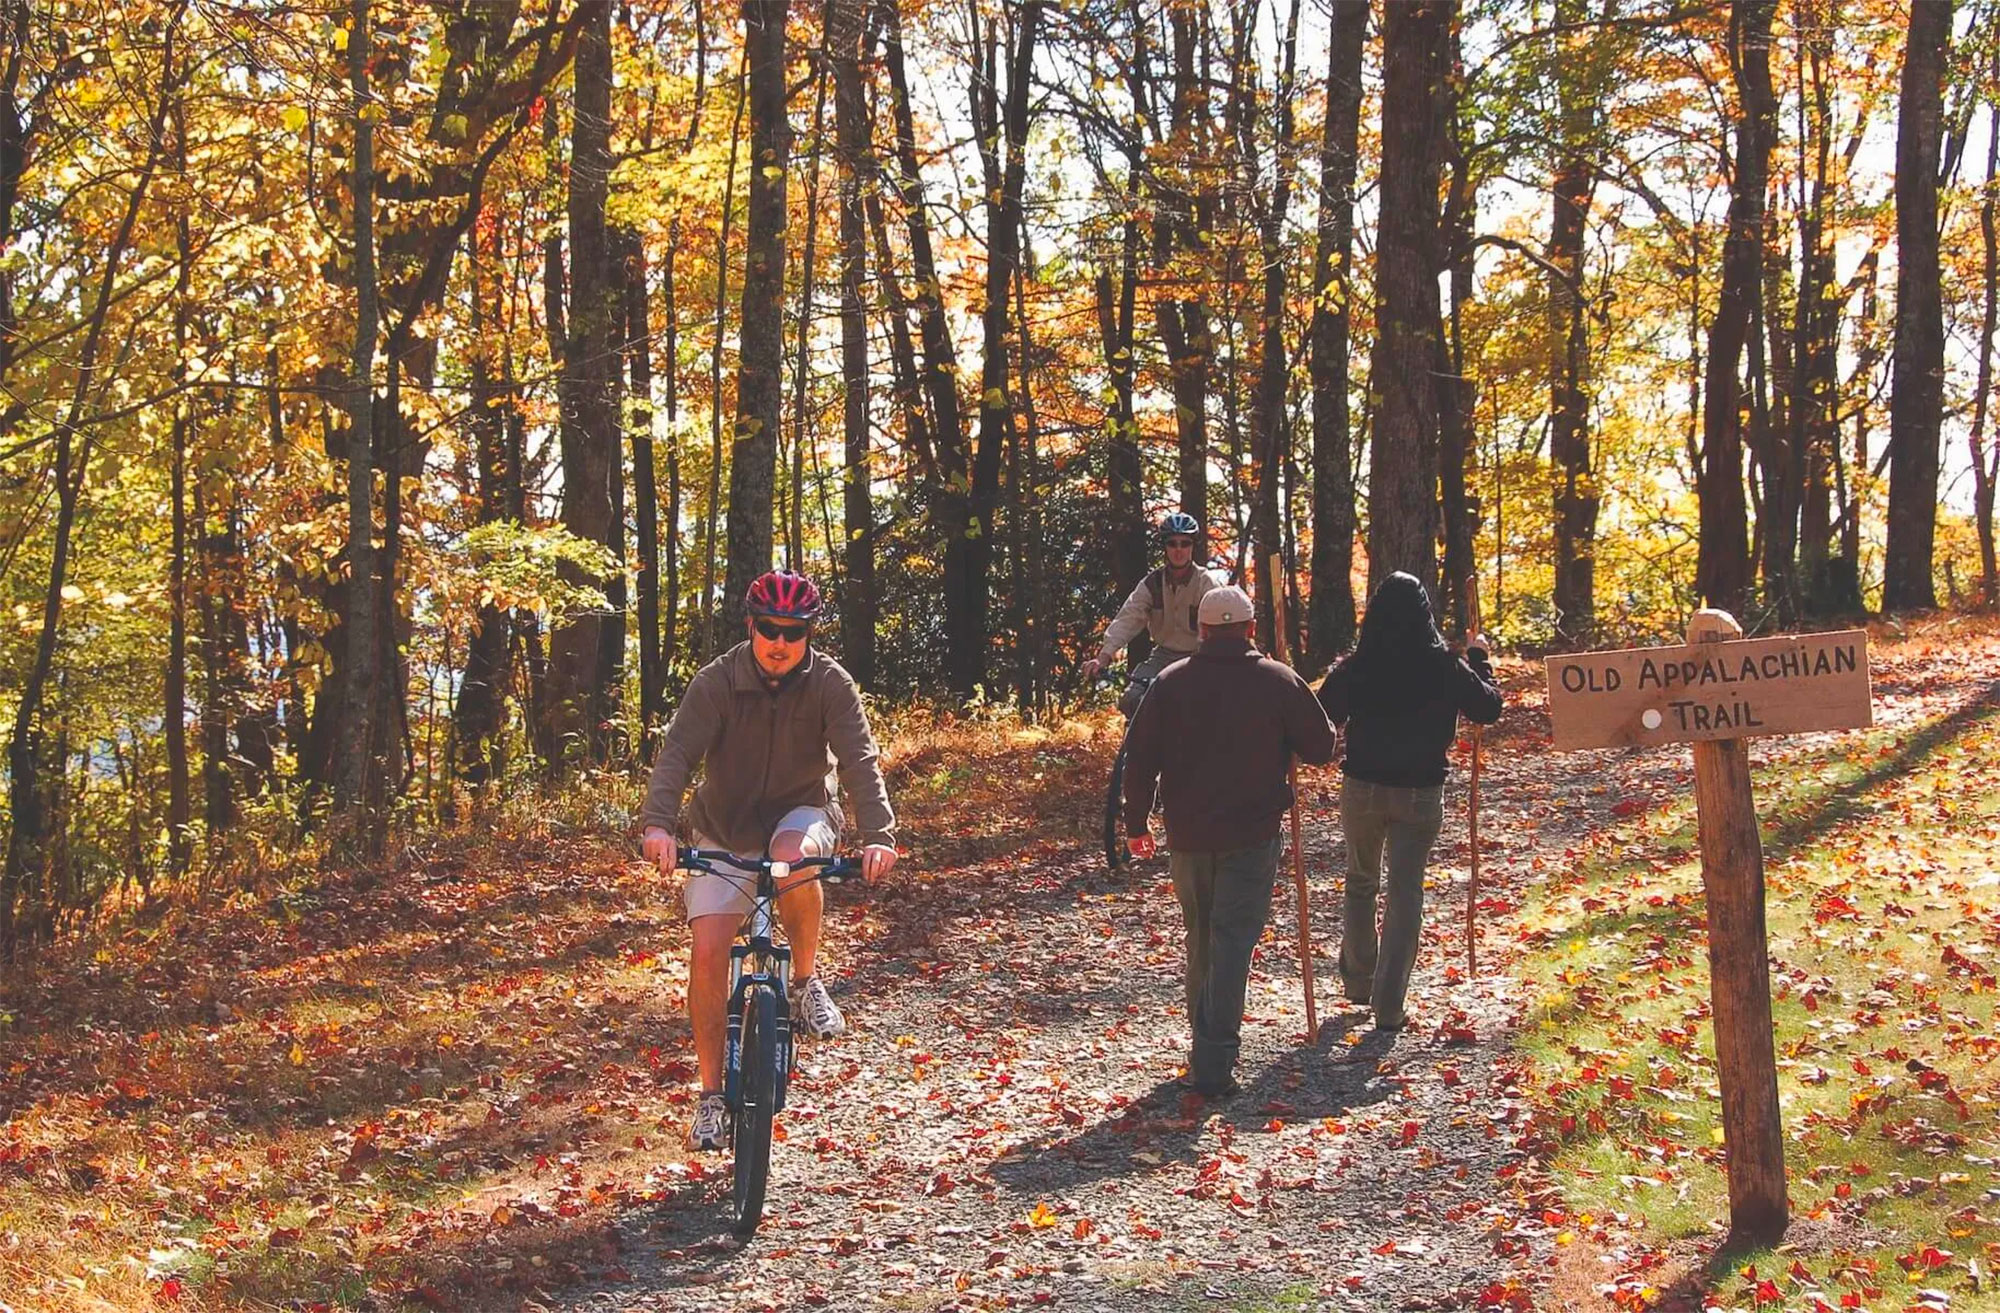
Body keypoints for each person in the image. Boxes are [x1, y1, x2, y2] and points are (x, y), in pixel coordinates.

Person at [639, 570, 899, 1150]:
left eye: (794, 631)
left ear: (809, 634)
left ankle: (804, 982)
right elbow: (677, 754)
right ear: (751, 626)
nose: (780, 642)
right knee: (708, 952)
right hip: (723, 826)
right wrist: (658, 825)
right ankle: (710, 1099)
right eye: (769, 628)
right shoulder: (717, 683)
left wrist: (878, 834)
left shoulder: (831, 684)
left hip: (800, 812)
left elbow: (860, 759)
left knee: (790, 859)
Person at [1122, 585, 1336, 1097]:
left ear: (1202, 629)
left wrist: (1136, 824)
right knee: (1232, 941)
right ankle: (1214, 1062)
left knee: (1202, 937)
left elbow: (1140, 758)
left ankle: (1205, 1045)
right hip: (1250, 835)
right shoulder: (1276, 680)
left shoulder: (1170, 683)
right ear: (1250, 629)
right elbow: (1322, 746)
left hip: (1188, 836)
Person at [1315, 572, 1502, 1032]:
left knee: (1361, 881)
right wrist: (1480, 661)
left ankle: (1359, 980)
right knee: (1404, 892)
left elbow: (1324, 713)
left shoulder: (1359, 665)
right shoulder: (1444, 666)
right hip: (1419, 793)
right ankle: (1389, 1003)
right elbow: (1487, 708)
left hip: (1363, 789)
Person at [1083, 512, 1229, 715]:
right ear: (1165, 547)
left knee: (1212, 707)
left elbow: (1224, 623)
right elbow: (1128, 618)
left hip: (1199, 657)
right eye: (1172, 543)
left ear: (1192, 546)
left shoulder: (1207, 583)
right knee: (1131, 701)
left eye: (1185, 543)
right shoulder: (1152, 584)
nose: (1179, 550)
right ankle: (1135, 747)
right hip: (1163, 656)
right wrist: (1104, 657)